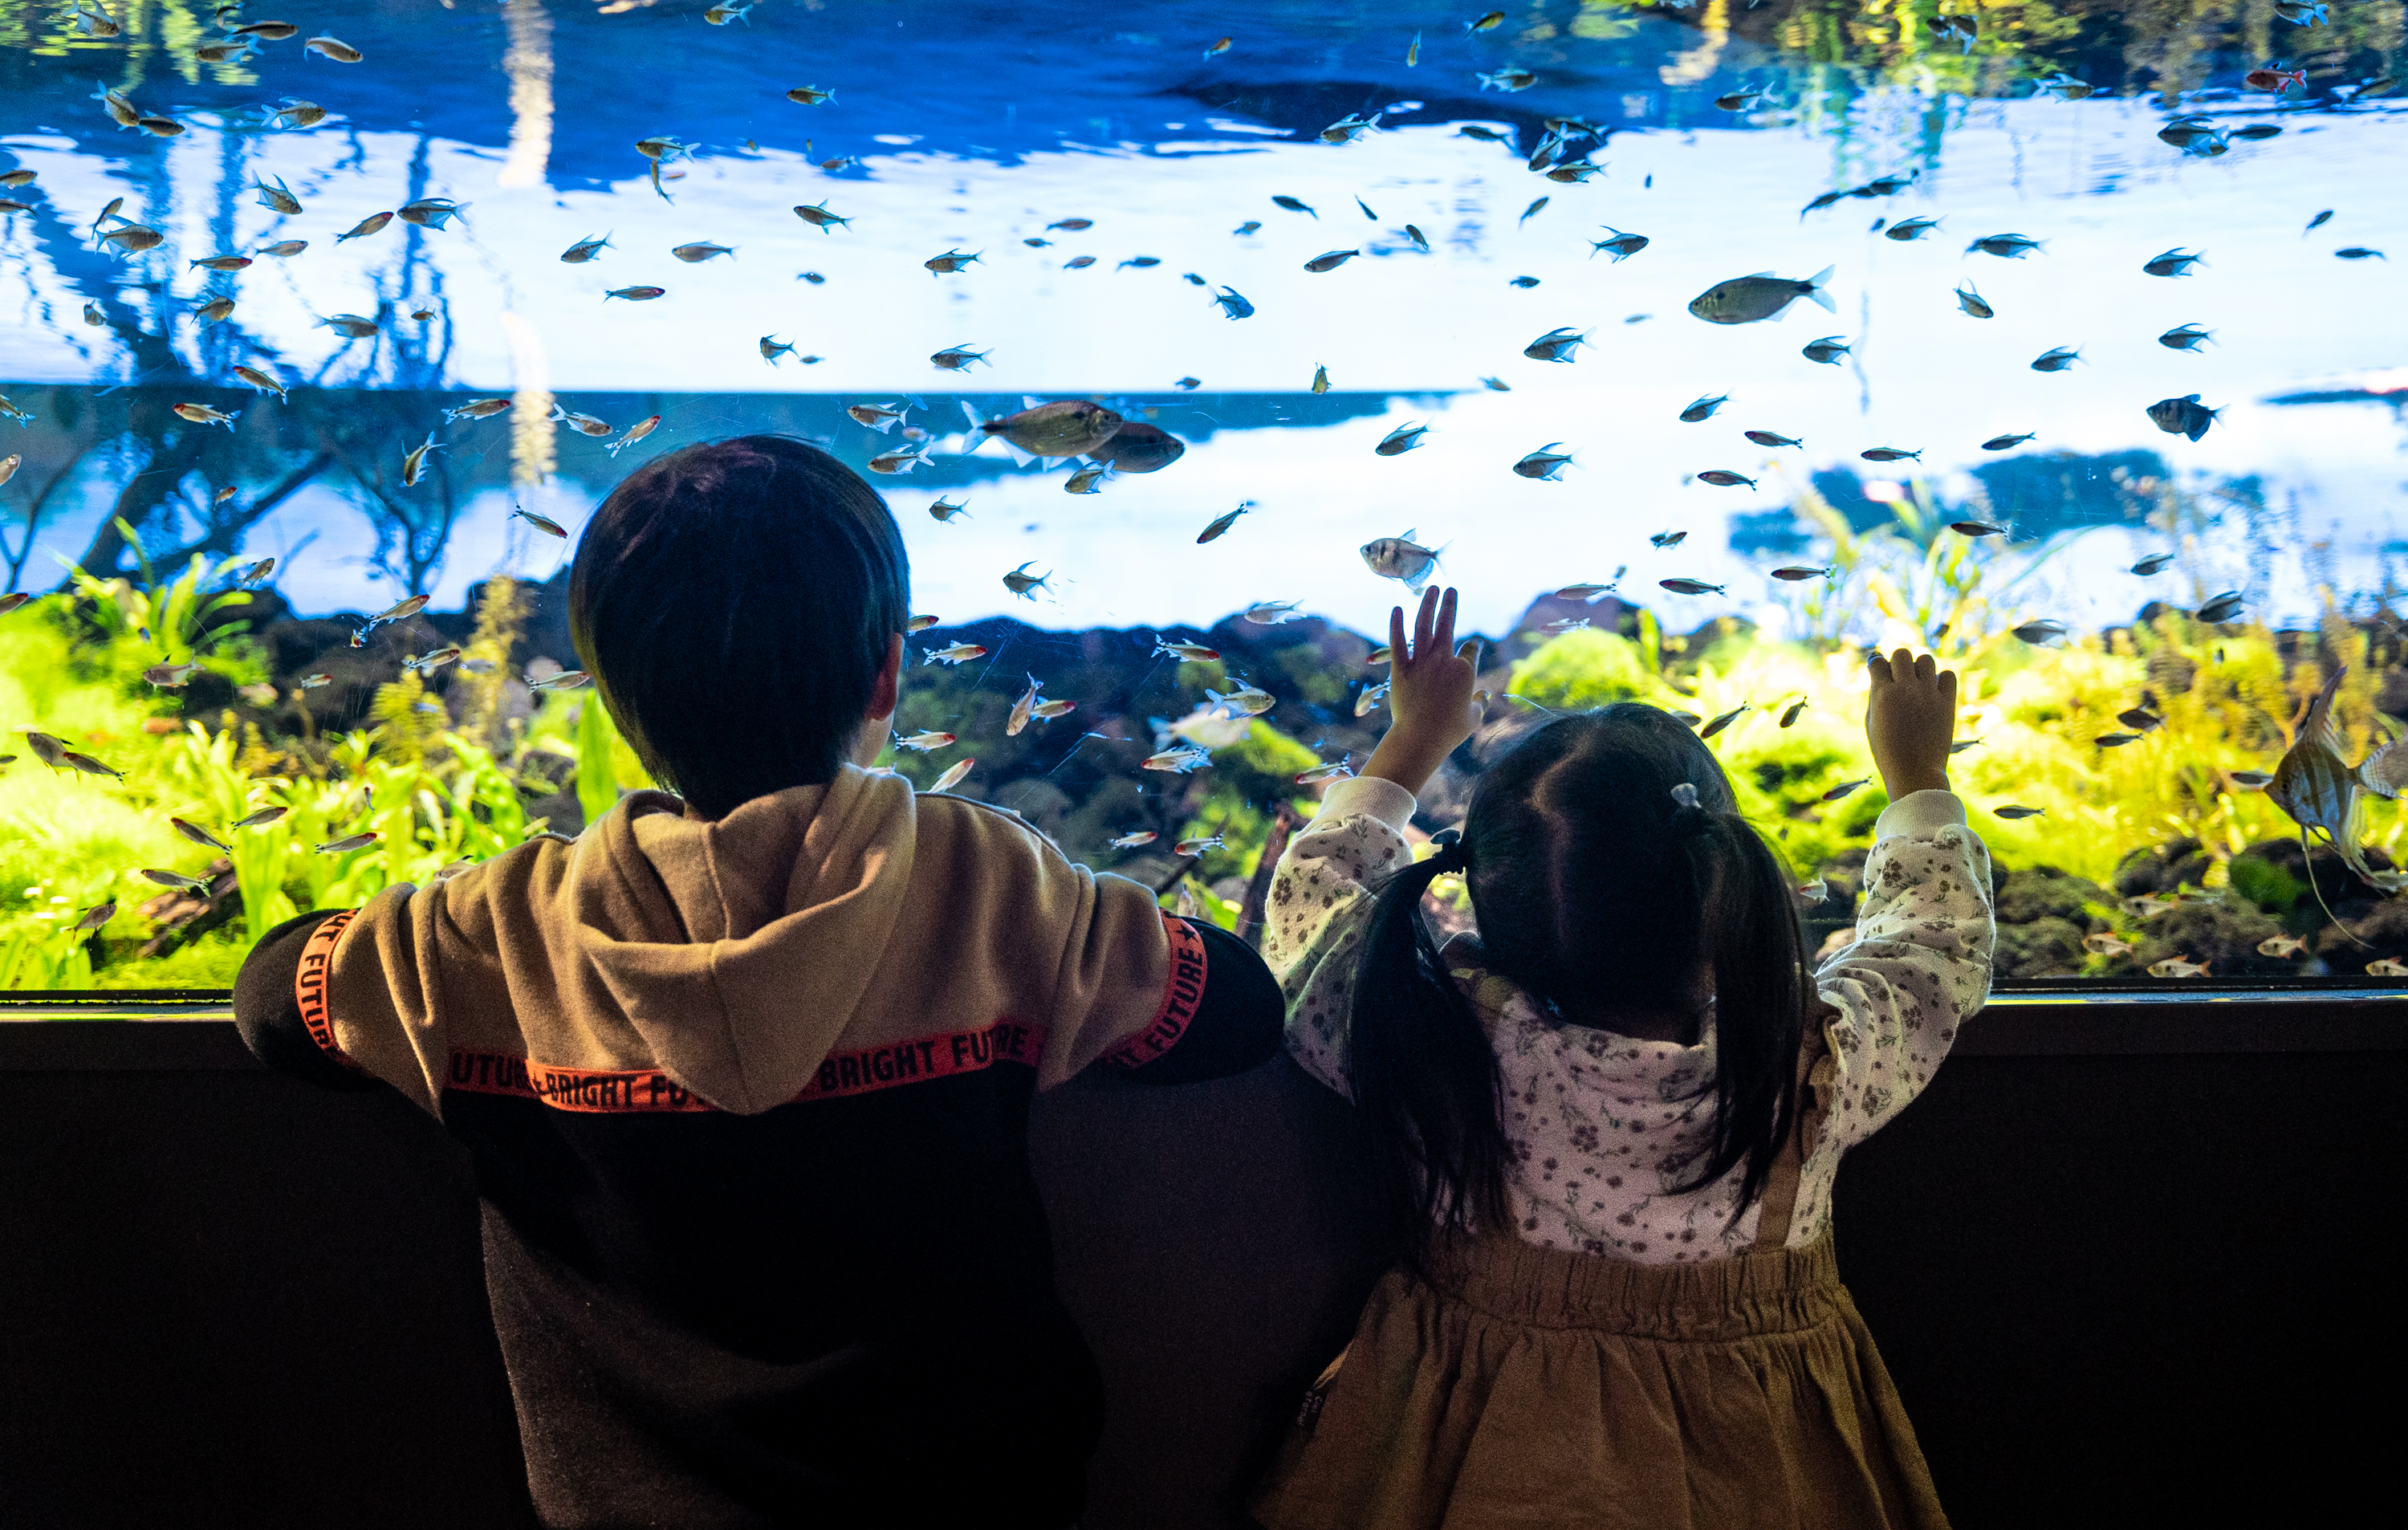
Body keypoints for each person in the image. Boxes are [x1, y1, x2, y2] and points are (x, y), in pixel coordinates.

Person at [232, 435, 1287, 1530]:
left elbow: (276, 1004)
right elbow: (1236, 1014)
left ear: (612, 697)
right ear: (886, 670)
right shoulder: (988, 888)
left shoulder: (498, 930)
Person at [1247, 586, 1993, 1530]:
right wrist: (1918, 776)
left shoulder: (1432, 1040)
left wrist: (1412, 741)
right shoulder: (1807, 1069)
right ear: (1722, 890)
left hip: (1465, 1445)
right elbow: (1933, 952)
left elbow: (1315, 910)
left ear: (1484, 893)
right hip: (1751, 1447)